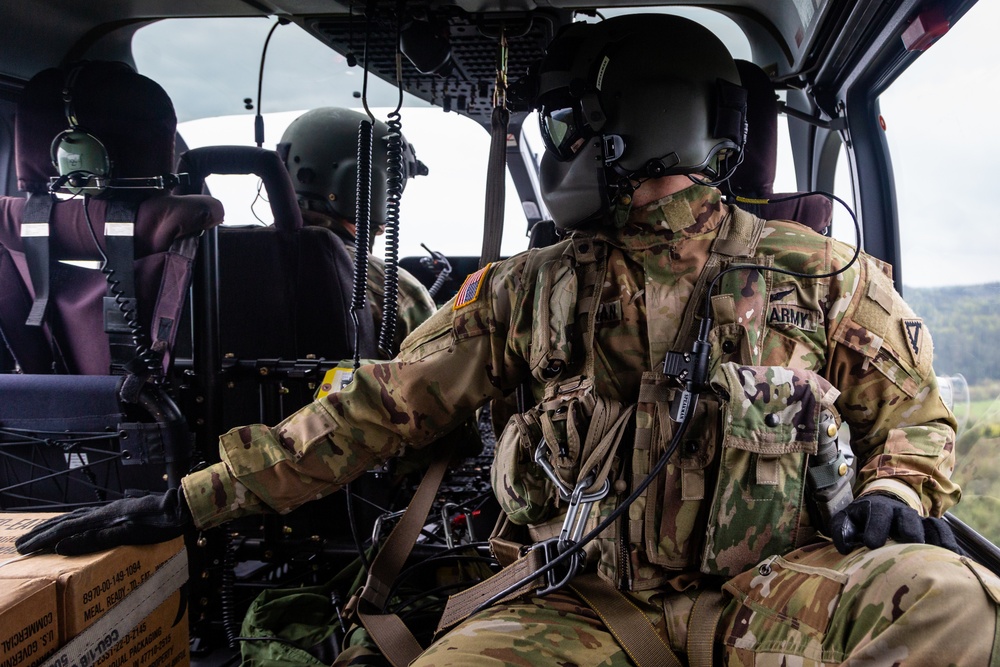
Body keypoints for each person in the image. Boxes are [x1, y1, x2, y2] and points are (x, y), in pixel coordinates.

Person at [18, 14, 1000, 666]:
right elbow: (372, 413)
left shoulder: (820, 275)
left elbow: (912, 424)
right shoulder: (529, 288)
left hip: (769, 591)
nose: (558, 146)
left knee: (951, 597)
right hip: (584, 599)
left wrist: (893, 492)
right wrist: (188, 500)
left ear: (641, 123)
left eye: (576, 122)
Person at [277, 106, 437, 356]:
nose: (392, 200)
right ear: (363, 183)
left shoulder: (218, 265)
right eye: (392, 186)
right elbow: (446, 381)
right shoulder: (392, 289)